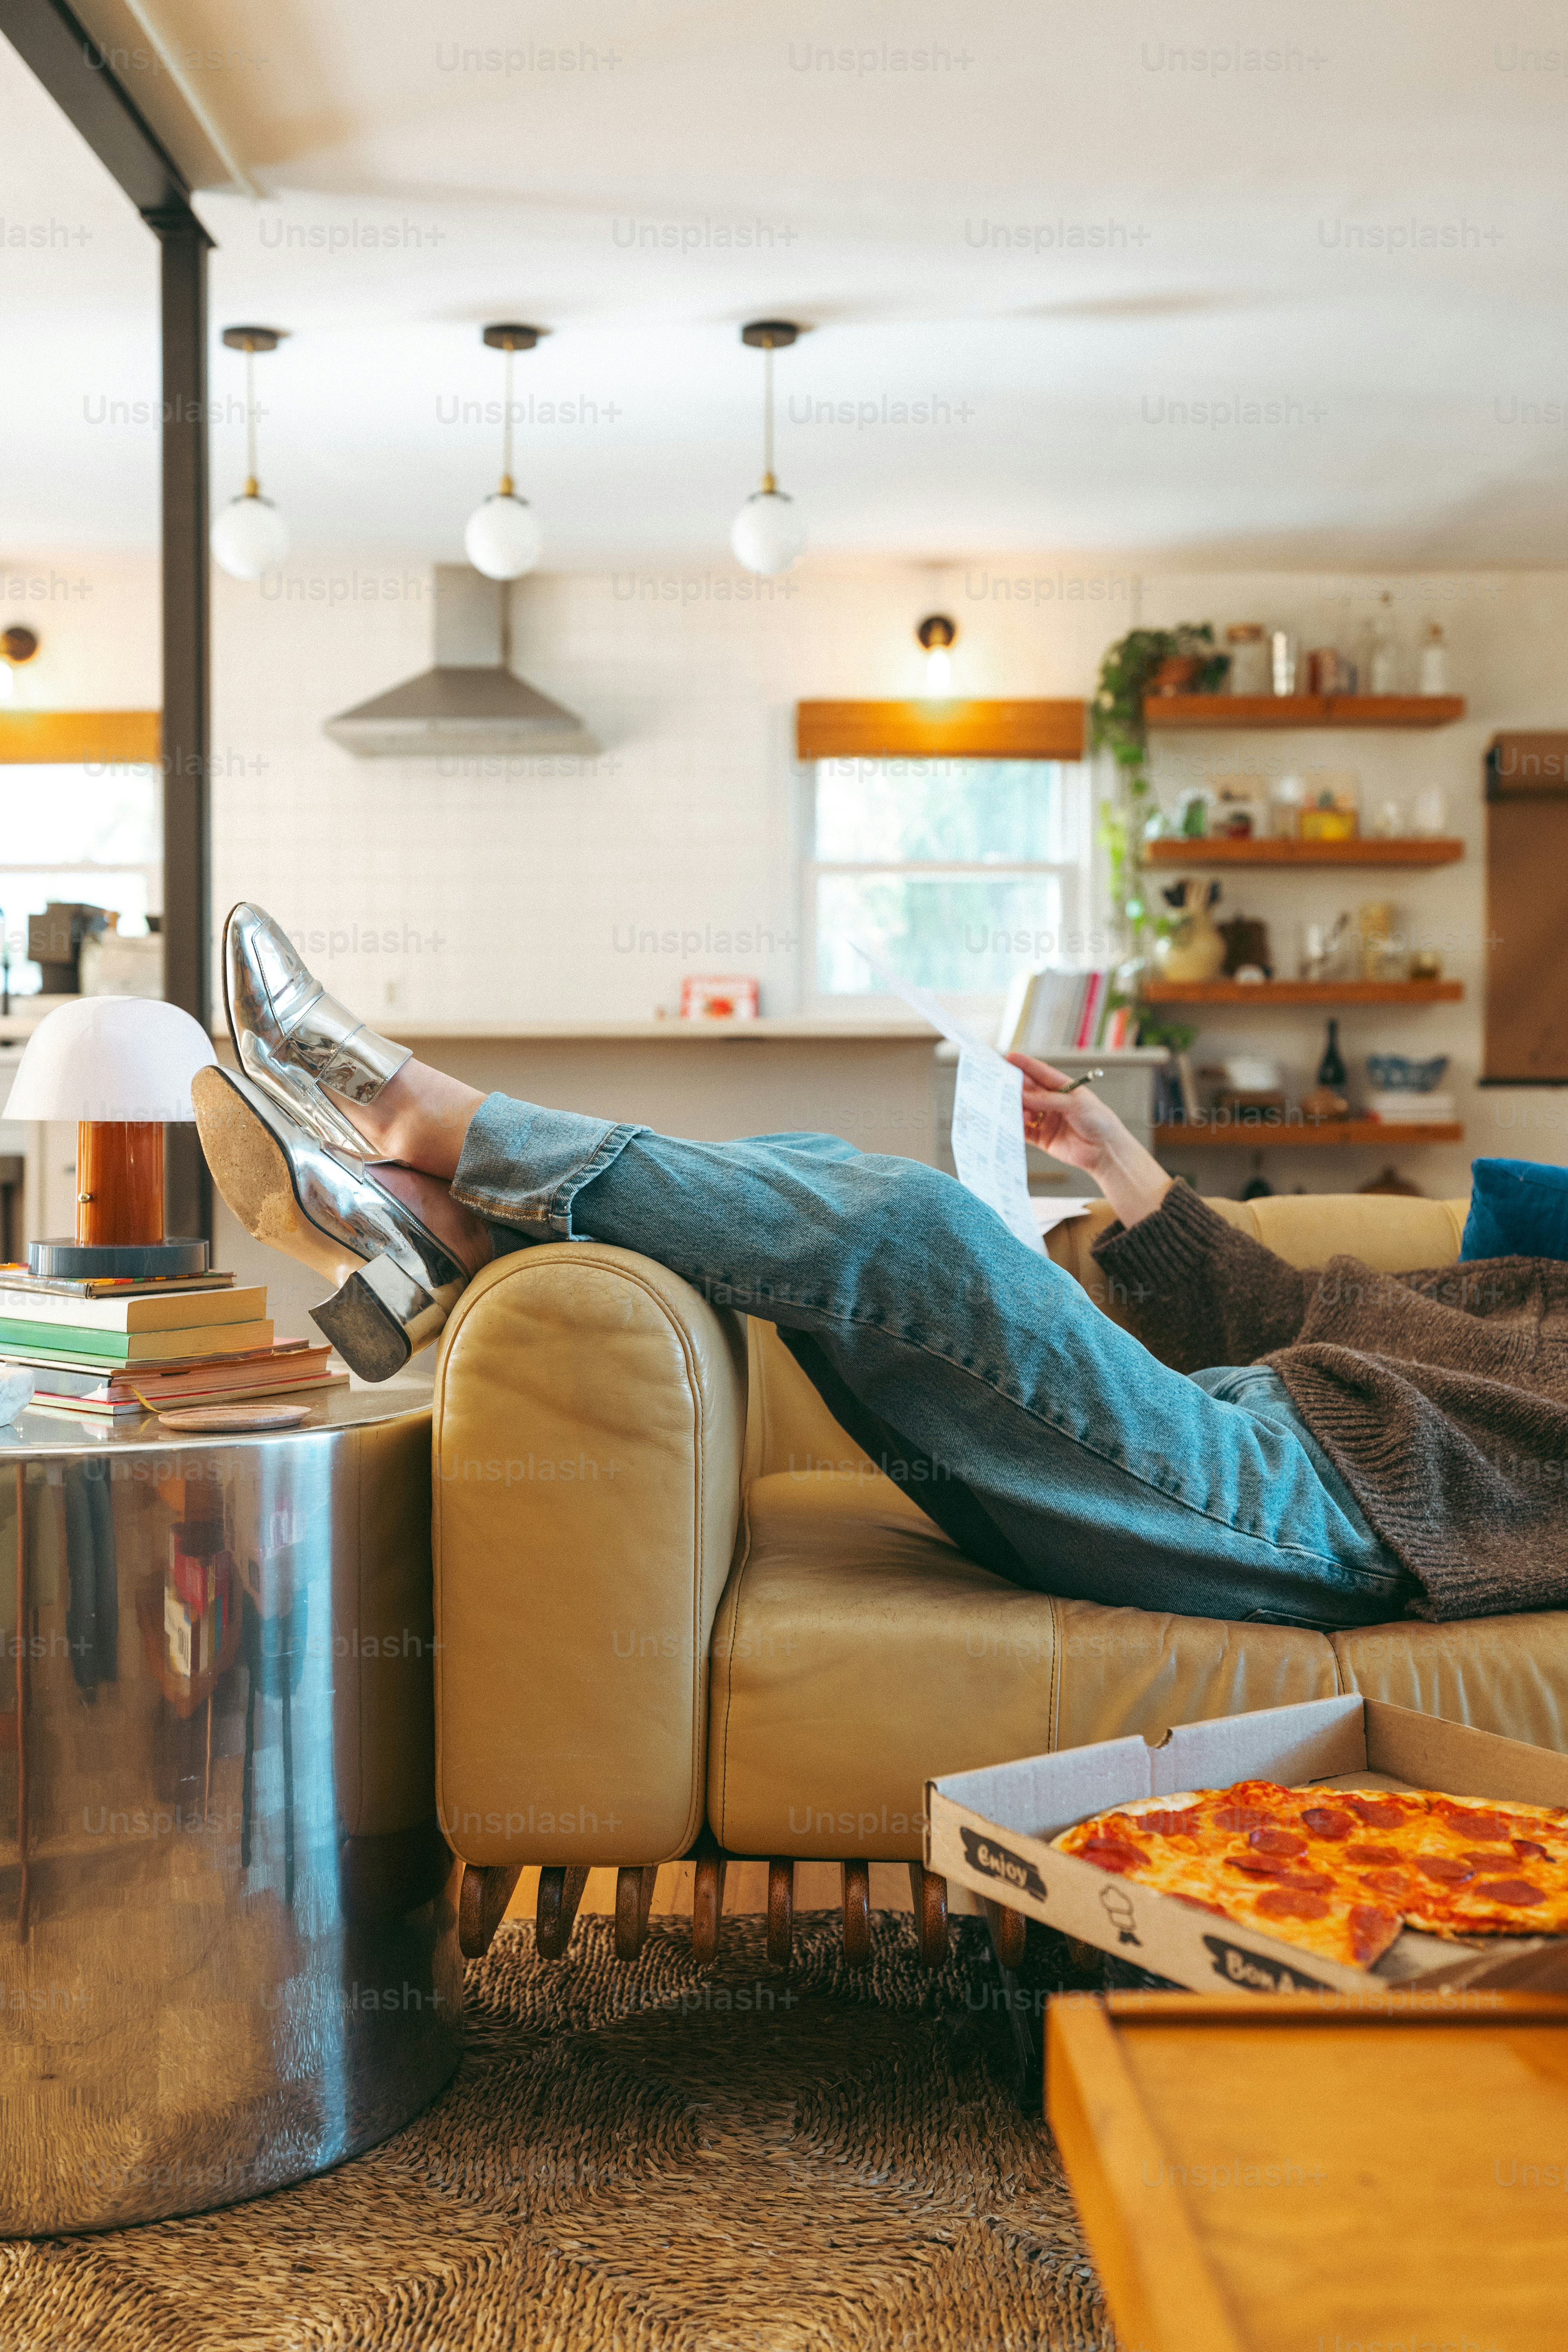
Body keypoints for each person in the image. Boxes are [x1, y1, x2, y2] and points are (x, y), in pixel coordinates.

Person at [197, 904, 1568, 1635]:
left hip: (1312, 1521)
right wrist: (1111, 1157)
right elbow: (1293, 1308)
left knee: (905, 1230)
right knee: (821, 1178)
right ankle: (456, 1233)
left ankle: (421, 1121)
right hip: (1241, 1440)